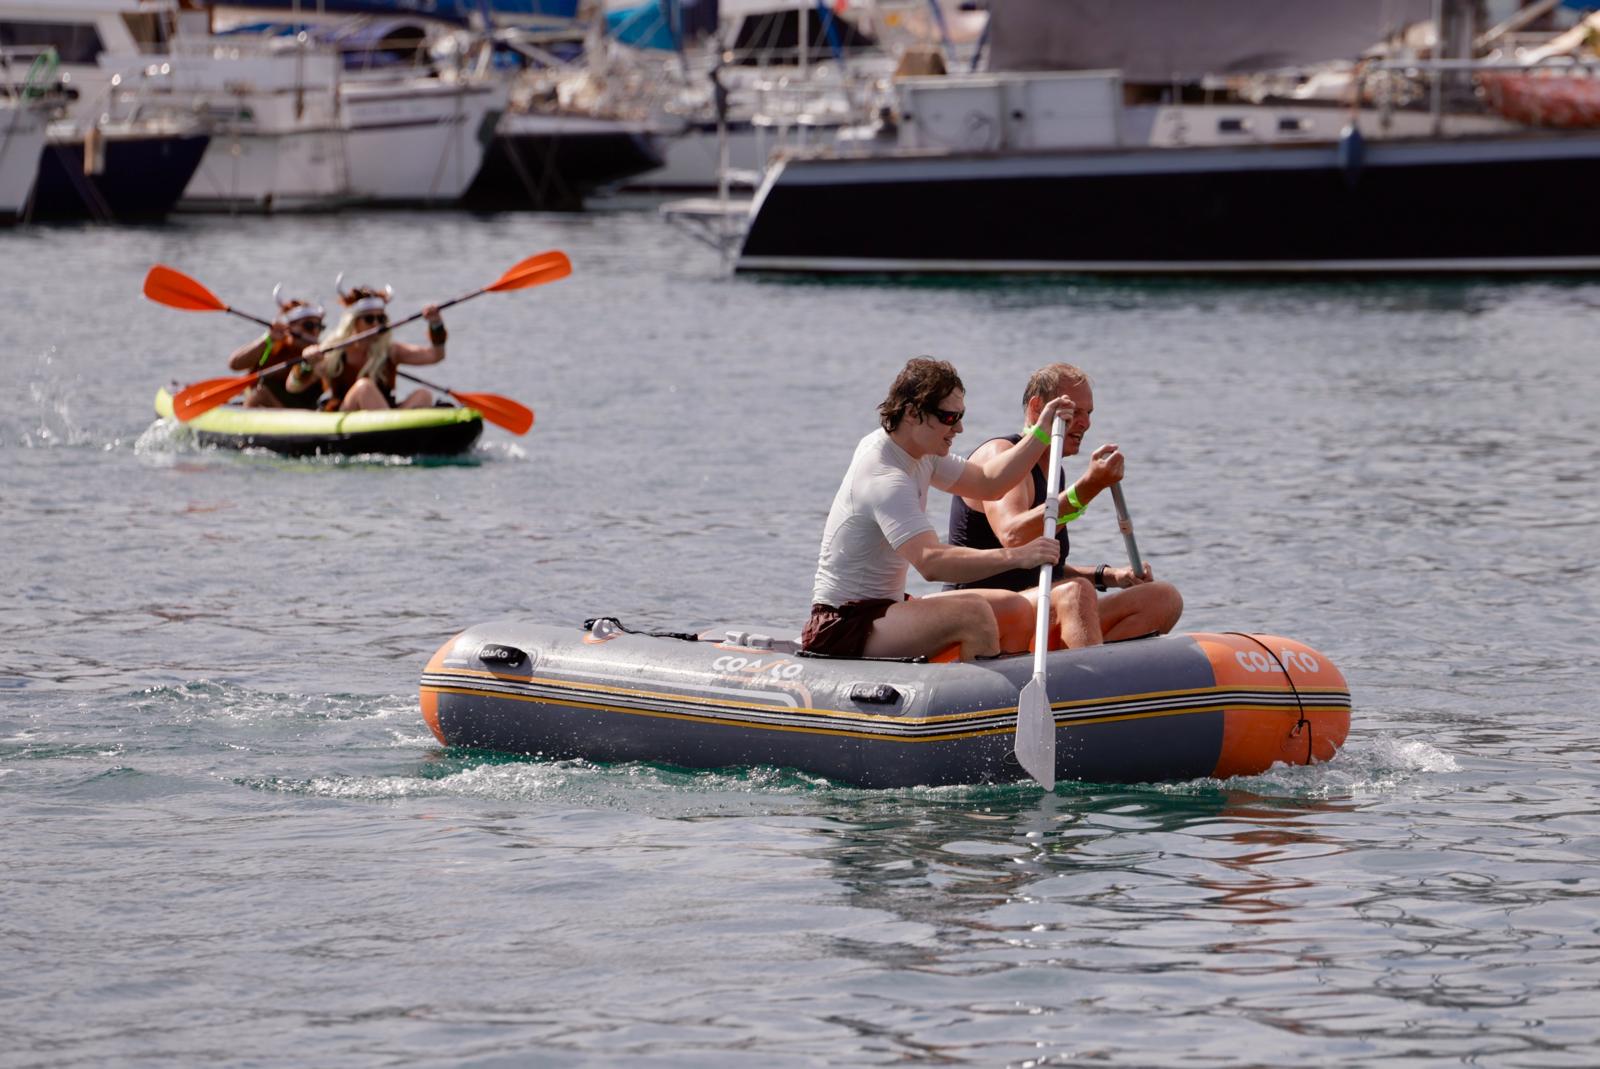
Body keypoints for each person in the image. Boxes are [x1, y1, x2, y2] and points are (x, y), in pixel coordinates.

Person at [801, 357, 1078, 663]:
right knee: (974, 614)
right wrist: (1017, 556)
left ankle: (1010, 693)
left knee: (1015, 607)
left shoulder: (920, 454)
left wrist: (1040, 432)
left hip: (886, 610)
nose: (959, 427)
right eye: (949, 418)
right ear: (912, 413)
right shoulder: (885, 477)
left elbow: (989, 482)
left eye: (960, 416)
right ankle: (981, 703)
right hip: (842, 624)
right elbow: (931, 563)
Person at [947, 362, 1183, 649]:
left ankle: (1093, 671)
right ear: (1037, 410)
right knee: (1075, 593)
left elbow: (1042, 563)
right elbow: (1014, 536)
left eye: (1089, 413)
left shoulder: (1053, 470)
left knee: (1162, 597)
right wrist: (1088, 487)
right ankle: (1093, 683)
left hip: (1038, 605)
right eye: (1074, 412)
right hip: (986, 613)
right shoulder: (1001, 455)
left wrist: (1109, 576)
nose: (1085, 423)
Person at [300, 275, 446, 411]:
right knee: (364, 388)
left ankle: (396, 430)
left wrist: (435, 324)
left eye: (381, 319)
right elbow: (294, 386)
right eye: (369, 319)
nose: (376, 324)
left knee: (423, 395)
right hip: (346, 414)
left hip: (384, 414)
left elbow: (435, 355)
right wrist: (307, 363)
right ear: (353, 323)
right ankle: (393, 429)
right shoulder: (332, 352)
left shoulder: (391, 350)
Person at [225, 286, 326, 409]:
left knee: (262, 393)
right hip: (269, 403)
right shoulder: (274, 345)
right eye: (309, 325)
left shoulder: (320, 352)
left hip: (304, 407)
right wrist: (267, 339)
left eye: (320, 327)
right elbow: (234, 364)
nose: (315, 332)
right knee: (261, 391)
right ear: (290, 326)